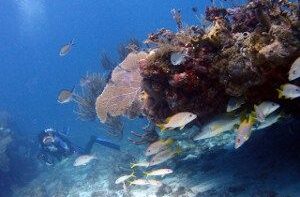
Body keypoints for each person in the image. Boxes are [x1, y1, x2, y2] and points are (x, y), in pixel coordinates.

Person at [37, 128, 120, 165]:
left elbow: (66, 146)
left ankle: (93, 139)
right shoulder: (44, 147)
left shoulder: (57, 139)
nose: (48, 141)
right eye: (46, 141)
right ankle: (93, 140)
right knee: (85, 155)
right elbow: (47, 158)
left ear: (50, 135)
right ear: (43, 142)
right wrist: (46, 160)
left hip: (72, 150)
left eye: (48, 139)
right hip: (67, 155)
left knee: (86, 153)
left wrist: (67, 151)